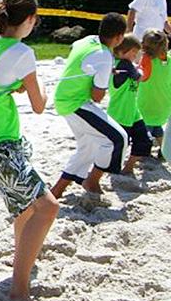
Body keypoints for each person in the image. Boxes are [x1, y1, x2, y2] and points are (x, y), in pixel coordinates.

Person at [0, 0, 58, 301]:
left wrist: (14, 84)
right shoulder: (23, 53)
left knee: (25, 207)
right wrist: (37, 83)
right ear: (31, 20)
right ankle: (20, 289)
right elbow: (39, 104)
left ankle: (22, 267)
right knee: (48, 207)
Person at [51, 13, 128, 202]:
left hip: (63, 99)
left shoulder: (87, 40)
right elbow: (97, 96)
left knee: (87, 146)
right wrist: (104, 74)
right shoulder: (104, 55)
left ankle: (56, 191)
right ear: (119, 37)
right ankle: (92, 181)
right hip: (75, 103)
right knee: (118, 138)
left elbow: (82, 60)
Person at [107, 34, 152, 174]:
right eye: (133, 51)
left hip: (132, 111)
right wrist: (140, 69)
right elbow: (140, 77)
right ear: (121, 52)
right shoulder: (123, 65)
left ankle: (128, 168)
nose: (135, 54)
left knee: (144, 141)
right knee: (119, 146)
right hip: (120, 113)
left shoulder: (125, 65)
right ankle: (114, 170)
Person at [137, 29, 171, 157]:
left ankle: (143, 152)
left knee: (145, 131)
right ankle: (163, 151)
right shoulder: (170, 60)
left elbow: (140, 76)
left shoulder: (146, 60)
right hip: (165, 103)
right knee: (157, 127)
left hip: (147, 103)